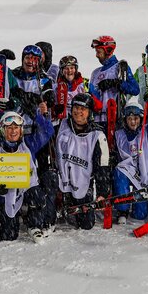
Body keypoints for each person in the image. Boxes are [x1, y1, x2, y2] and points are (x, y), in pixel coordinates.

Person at [0, 110, 55, 240]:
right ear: (3, 130)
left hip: (28, 190)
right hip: (7, 195)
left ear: (21, 130)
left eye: (16, 128)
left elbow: (48, 131)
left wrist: (36, 115)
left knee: (38, 195)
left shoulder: (28, 144)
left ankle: (33, 224)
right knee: (9, 236)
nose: (13, 131)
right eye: (9, 128)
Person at [55, 93, 113, 230]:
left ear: (89, 112)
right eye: (76, 107)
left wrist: (102, 193)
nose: (78, 112)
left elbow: (102, 166)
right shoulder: (62, 126)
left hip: (83, 182)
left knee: (86, 225)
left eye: (83, 109)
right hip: (62, 179)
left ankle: (75, 205)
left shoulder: (97, 135)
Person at [111, 103, 148, 223]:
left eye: (136, 118)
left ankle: (139, 207)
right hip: (126, 169)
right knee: (119, 174)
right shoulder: (119, 134)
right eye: (129, 119)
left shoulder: (146, 131)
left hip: (143, 172)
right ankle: (122, 210)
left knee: (140, 215)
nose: (132, 122)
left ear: (141, 119)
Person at [89, 35, 140, 124]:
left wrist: (115, 83)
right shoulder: (95, 73)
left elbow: (135, 89)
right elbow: (91, 95)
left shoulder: (120, 67)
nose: (96, 55)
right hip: (97, 121)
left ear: (108, 51)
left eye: (99, 52)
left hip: (116, 119)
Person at [52, 55, 89, 125]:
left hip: (80, 121)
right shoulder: (56, 87)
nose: (69, 71)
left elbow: (96, 104)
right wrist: (54, 110)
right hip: (62, 123)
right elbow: (49, 106)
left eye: (72, 68)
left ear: (76, 70)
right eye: (66, 68)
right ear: (62, 71)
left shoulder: (85, 84)